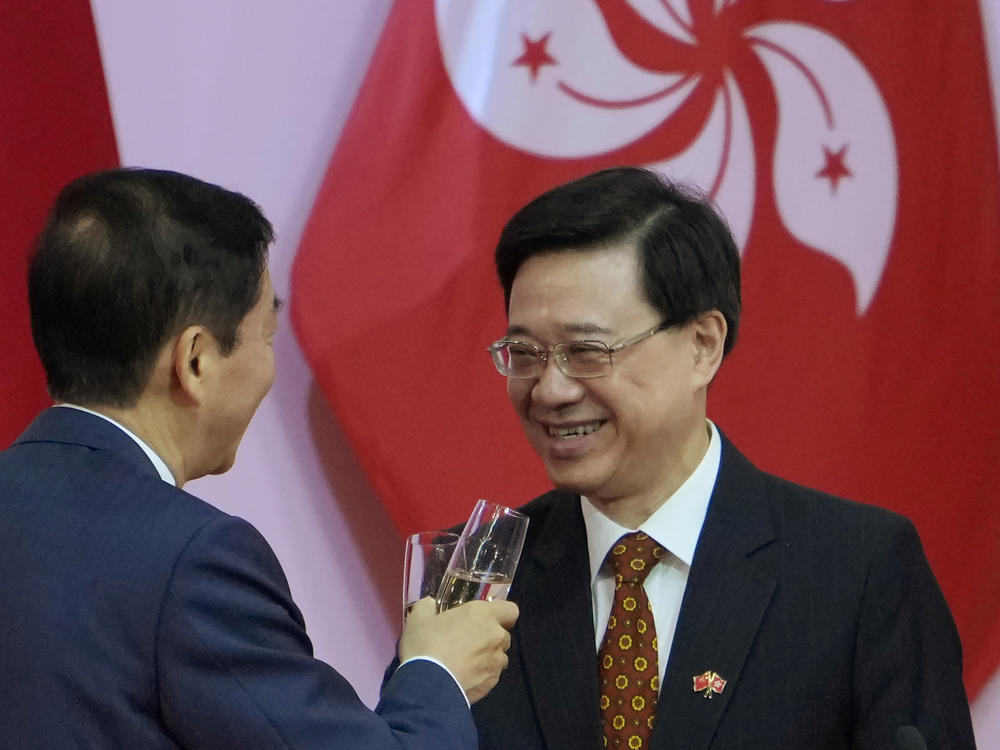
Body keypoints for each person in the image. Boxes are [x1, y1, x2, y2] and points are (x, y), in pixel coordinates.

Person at [0, 167, 518, 749]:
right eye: (266, 337)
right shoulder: (194, 561)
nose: (268, 368)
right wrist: (438, 672)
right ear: (195, 361)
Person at [470, 167, 975, 749]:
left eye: (587, 351)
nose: (550, 390)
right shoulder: (479, 575)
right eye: (525, 352)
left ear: (702, 345)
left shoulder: (857, 571)